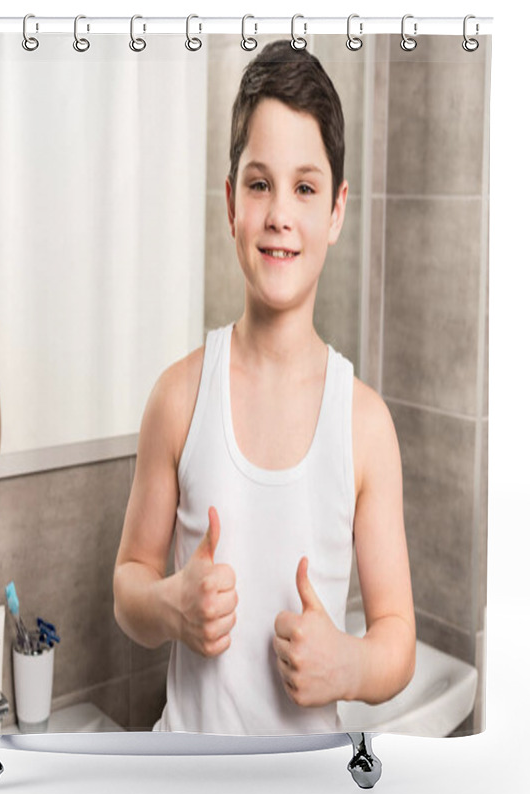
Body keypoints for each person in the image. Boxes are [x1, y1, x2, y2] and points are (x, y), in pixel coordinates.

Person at [113, 41, 415, 735]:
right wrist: (170, 606)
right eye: (259, 184)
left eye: (305, 188)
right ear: (230, 203)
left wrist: (350, 666)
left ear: (336, 211)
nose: (280, 213)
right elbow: (128, 581)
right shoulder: (178, 397)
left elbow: (397, 635)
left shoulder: (365, 426)